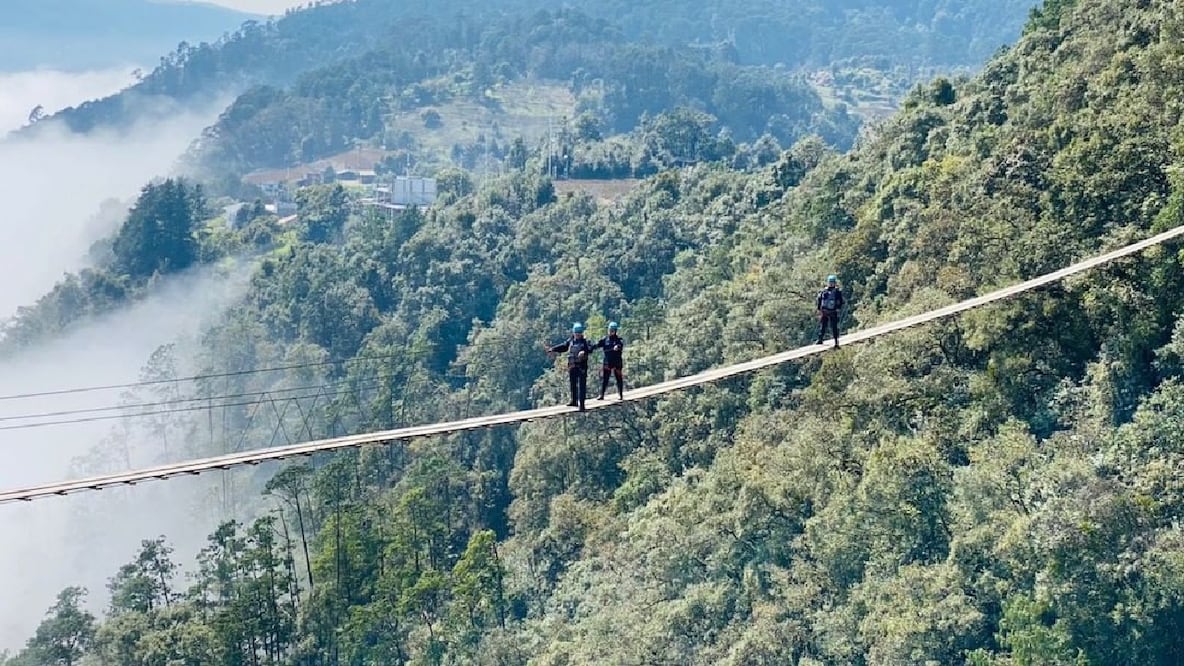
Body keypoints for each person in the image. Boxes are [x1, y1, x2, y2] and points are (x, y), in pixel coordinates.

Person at [547, 322, 596, 411]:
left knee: (581, 385)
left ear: (582, 333)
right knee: (573, 384)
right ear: (573, 333)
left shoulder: (585, 342)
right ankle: (574, 401)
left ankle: (582, 405)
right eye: (576, 333)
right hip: (572, 366)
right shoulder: (571, 341)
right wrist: (553, 349)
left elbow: (591, 348)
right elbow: (564, 347)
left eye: (579, 333)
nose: (577, 335)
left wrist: (584, 352)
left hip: (581, 367)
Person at [593, 321, 625, 400]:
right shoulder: (605, 339)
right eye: (610, 330)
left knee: (619, 379)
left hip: (617, 362)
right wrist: (590, 348)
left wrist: (617, 347)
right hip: (607, 363)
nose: (610, 332)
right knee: (605, 379)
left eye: (612, 330)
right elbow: (597, 345)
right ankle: (602, 395)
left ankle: (620, 395)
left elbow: (620, 345)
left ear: (615, 331)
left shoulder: (619, 340)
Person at [816, 274, 845, 348]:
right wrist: (838, 308)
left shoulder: (824, 291)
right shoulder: (837, 291)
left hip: (824, 311)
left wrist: (819, 309)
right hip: (833, 311)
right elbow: (841, 301)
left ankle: (820, 339)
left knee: (823, 326)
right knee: (834, 327)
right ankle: (836, 343)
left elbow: (819, 300)